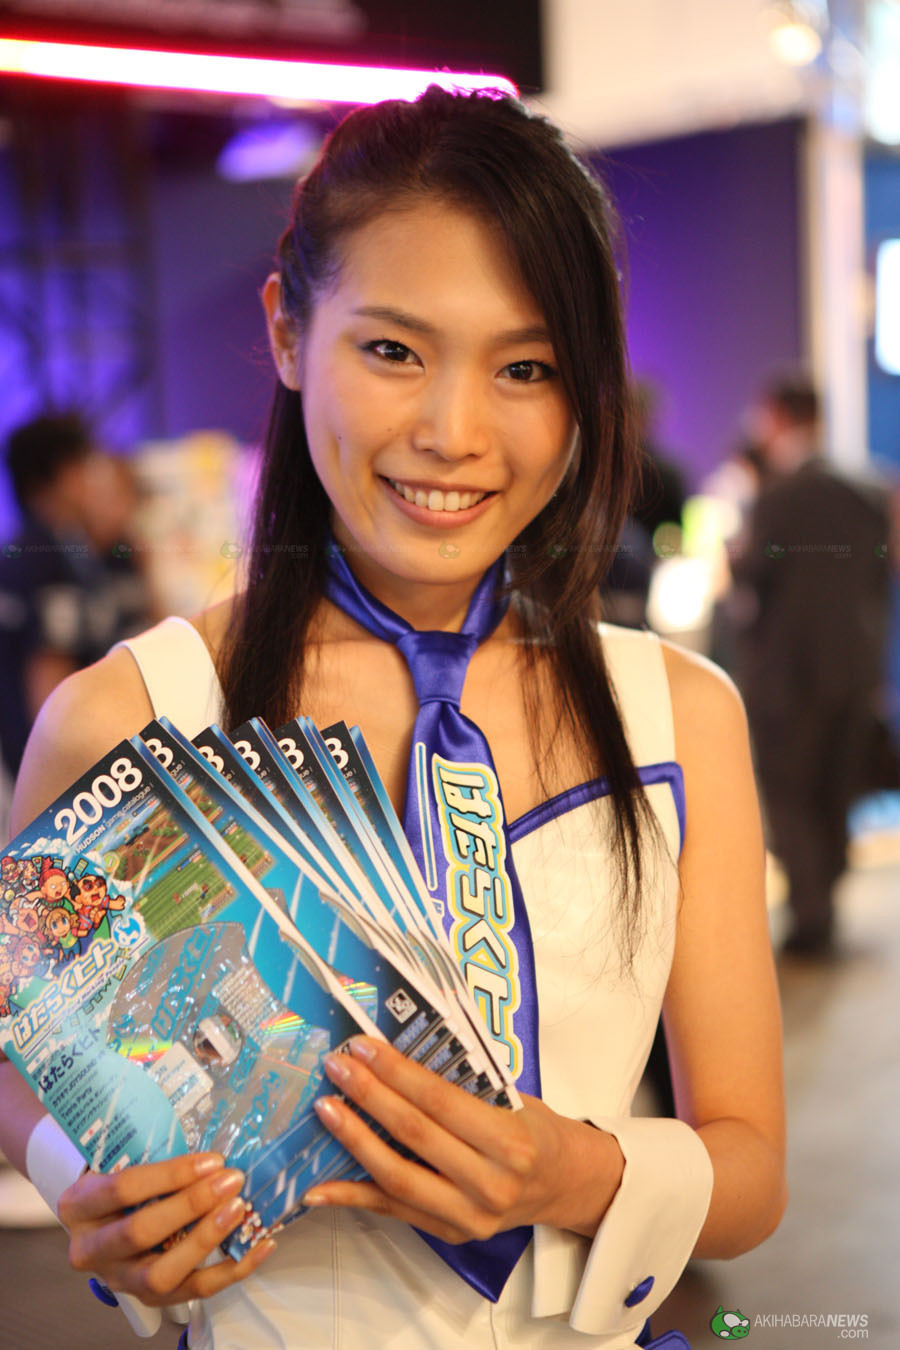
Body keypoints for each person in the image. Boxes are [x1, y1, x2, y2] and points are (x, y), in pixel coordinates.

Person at [2, 88, 786, 1349]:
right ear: (286, 330)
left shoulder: (679, 718)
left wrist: (573, 1174)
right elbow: (22, 1026)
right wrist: (83, 1182)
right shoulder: (132, 720)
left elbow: (749, 1167)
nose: (452, 433)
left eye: (525, 368)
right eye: (393, 352)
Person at [729, 373, 892, 957]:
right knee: (835, 787)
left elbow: (751, 573)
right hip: (854, 667)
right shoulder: (869, 492)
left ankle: (811, 913)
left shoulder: (778, 494)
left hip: (790, 675)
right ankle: (823, 900)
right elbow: (880, 577)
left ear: (775, 417)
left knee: (791, 791)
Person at [0, 412, 151, 783]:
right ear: (62, 477)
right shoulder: (41, 557)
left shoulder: (61, 547)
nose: (91, 479)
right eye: (84, 466)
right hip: (52, 774)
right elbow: (48, 689)